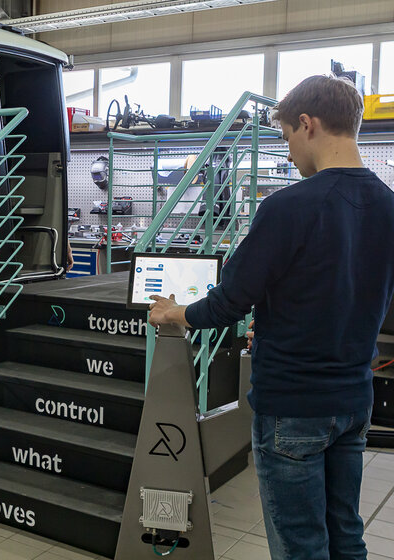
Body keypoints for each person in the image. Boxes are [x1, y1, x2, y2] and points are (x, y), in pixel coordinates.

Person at [148, 74, 394, 560]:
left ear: (307, 124)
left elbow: (231, 299)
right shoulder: (389, 206)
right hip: (353, 400)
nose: (286, 154)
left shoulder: (286, 206)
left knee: (301, 544)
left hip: (293, 404)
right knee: (345, 533)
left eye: (284, 137)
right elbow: (359, 294)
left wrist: (174, 312)